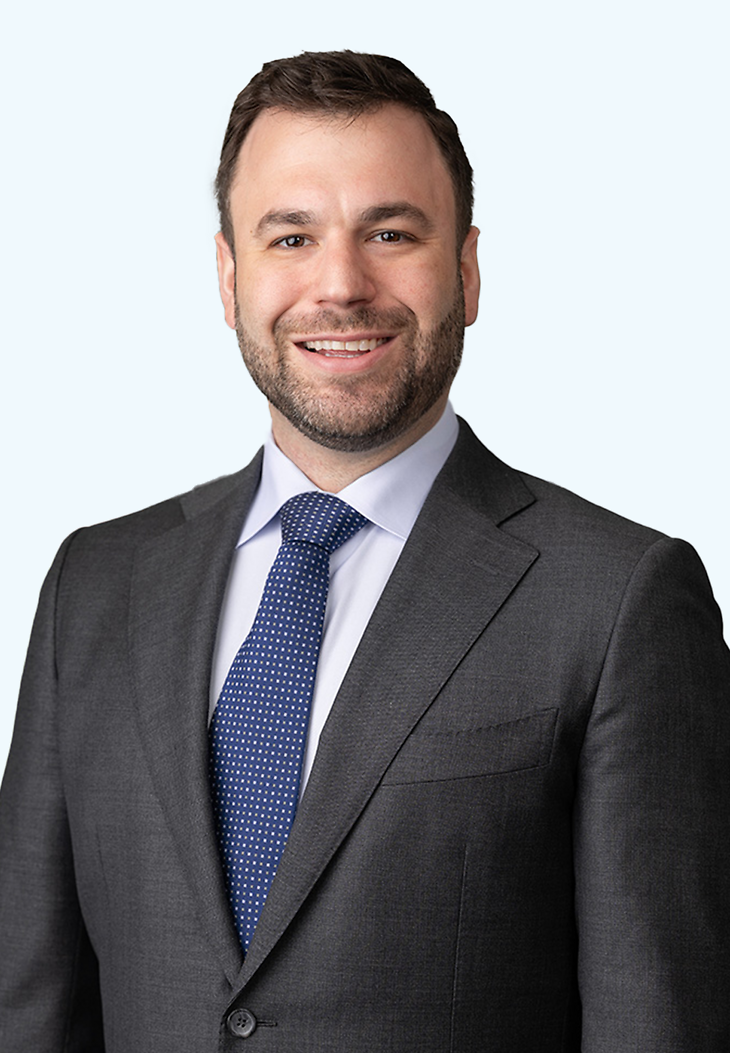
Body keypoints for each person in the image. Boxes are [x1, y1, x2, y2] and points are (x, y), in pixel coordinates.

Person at [0, 50, 728, 1053]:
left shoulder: (617, 600)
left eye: (390, 232)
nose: (339, 284)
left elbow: (658, 1021)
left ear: (465, 271)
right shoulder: (95, 585)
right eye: (291, 237)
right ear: (230, 278)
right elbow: (27, 1006)